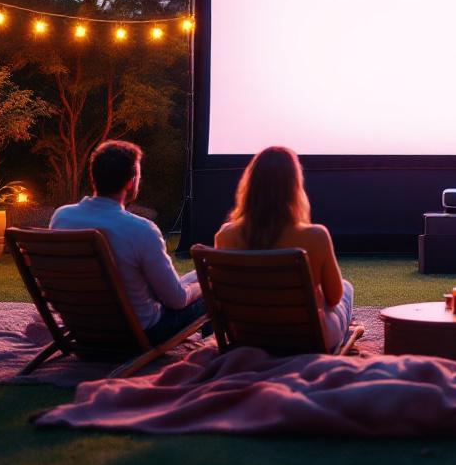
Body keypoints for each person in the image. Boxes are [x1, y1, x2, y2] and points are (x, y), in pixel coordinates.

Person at [49, 140, 204, 345]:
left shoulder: (62, 217)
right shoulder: (141, 230)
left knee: (190, 279)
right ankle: (213, 353)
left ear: (93, 176)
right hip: (134, 335)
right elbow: (176, 300)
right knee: (210, 291)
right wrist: (204, 286)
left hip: (81, 328)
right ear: (132, 182)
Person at [214, 146, 355, 352]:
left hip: (248, 336)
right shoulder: (315, 236)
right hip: (306, 340)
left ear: (250, 184)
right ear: (294, 186)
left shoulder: (225, 235)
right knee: (346, 289)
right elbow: (333, 298)